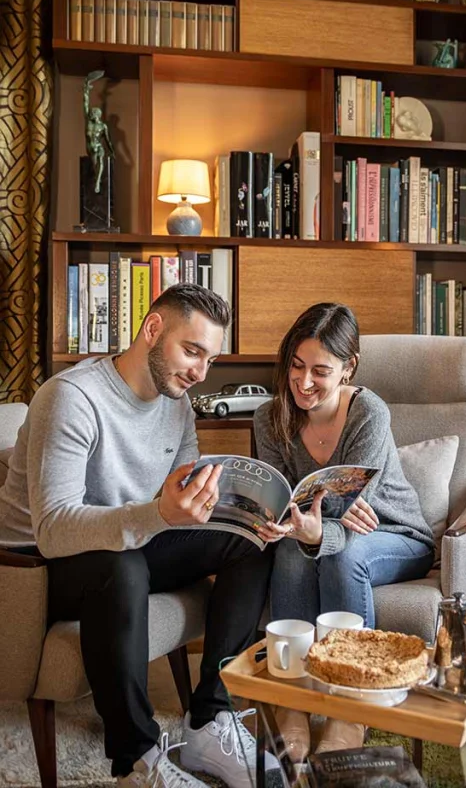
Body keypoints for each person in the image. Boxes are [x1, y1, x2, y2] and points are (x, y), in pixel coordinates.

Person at [0, 284, 278, 788]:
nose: (199, 372)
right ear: (152, 329)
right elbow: (55, 528)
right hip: (34, 567)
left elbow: (173, 500)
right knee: (120, 562)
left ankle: (209, 720)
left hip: (123, 542)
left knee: (250, 537)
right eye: (191, 351)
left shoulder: (177, 402)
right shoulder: (72, 398)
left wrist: (227, 505)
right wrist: (159, 515)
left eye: (209, 360)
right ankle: (137, 761)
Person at [253, 302, 434, 763]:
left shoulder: (368, 412)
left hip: (396, 534)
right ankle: (293, 702)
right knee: (296, 550)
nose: (304, 383)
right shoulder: (269, 417)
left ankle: (351, 711)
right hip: (331, 532)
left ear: (348, 367)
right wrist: (301, 523)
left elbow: (353, 509)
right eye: (295, 366)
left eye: (320, 371)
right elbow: (284, 499)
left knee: (343, 555)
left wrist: (319, 524)